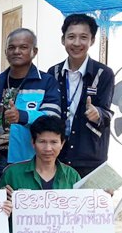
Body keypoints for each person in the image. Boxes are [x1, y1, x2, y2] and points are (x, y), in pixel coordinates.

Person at [0, 28, 62, 190]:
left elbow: (53, 118)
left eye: (23, 47)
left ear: (34, 51)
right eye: (12, 47)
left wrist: (23, 116)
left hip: (27, 163)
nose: (16, 51)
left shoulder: (46, 82)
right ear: (5, 51)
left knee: (26, 213)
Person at [47, 14, 115, 177]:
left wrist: (97, 113)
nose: (77, 43)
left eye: (83, 37)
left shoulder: (104, 73)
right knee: (58, 202)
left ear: (91, 41)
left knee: (90, 202)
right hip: (57, 158)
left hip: (90, 159)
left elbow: (107, 114)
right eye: (71, 37)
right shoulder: (53, 73)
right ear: (63, 40)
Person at [0, 115, 80, 192]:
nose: (48, 148)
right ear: (33, 143)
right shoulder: (12, 174)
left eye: (54, 142)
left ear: (62, 144)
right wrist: (4, 203)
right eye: (42, 142)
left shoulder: (72, 176)